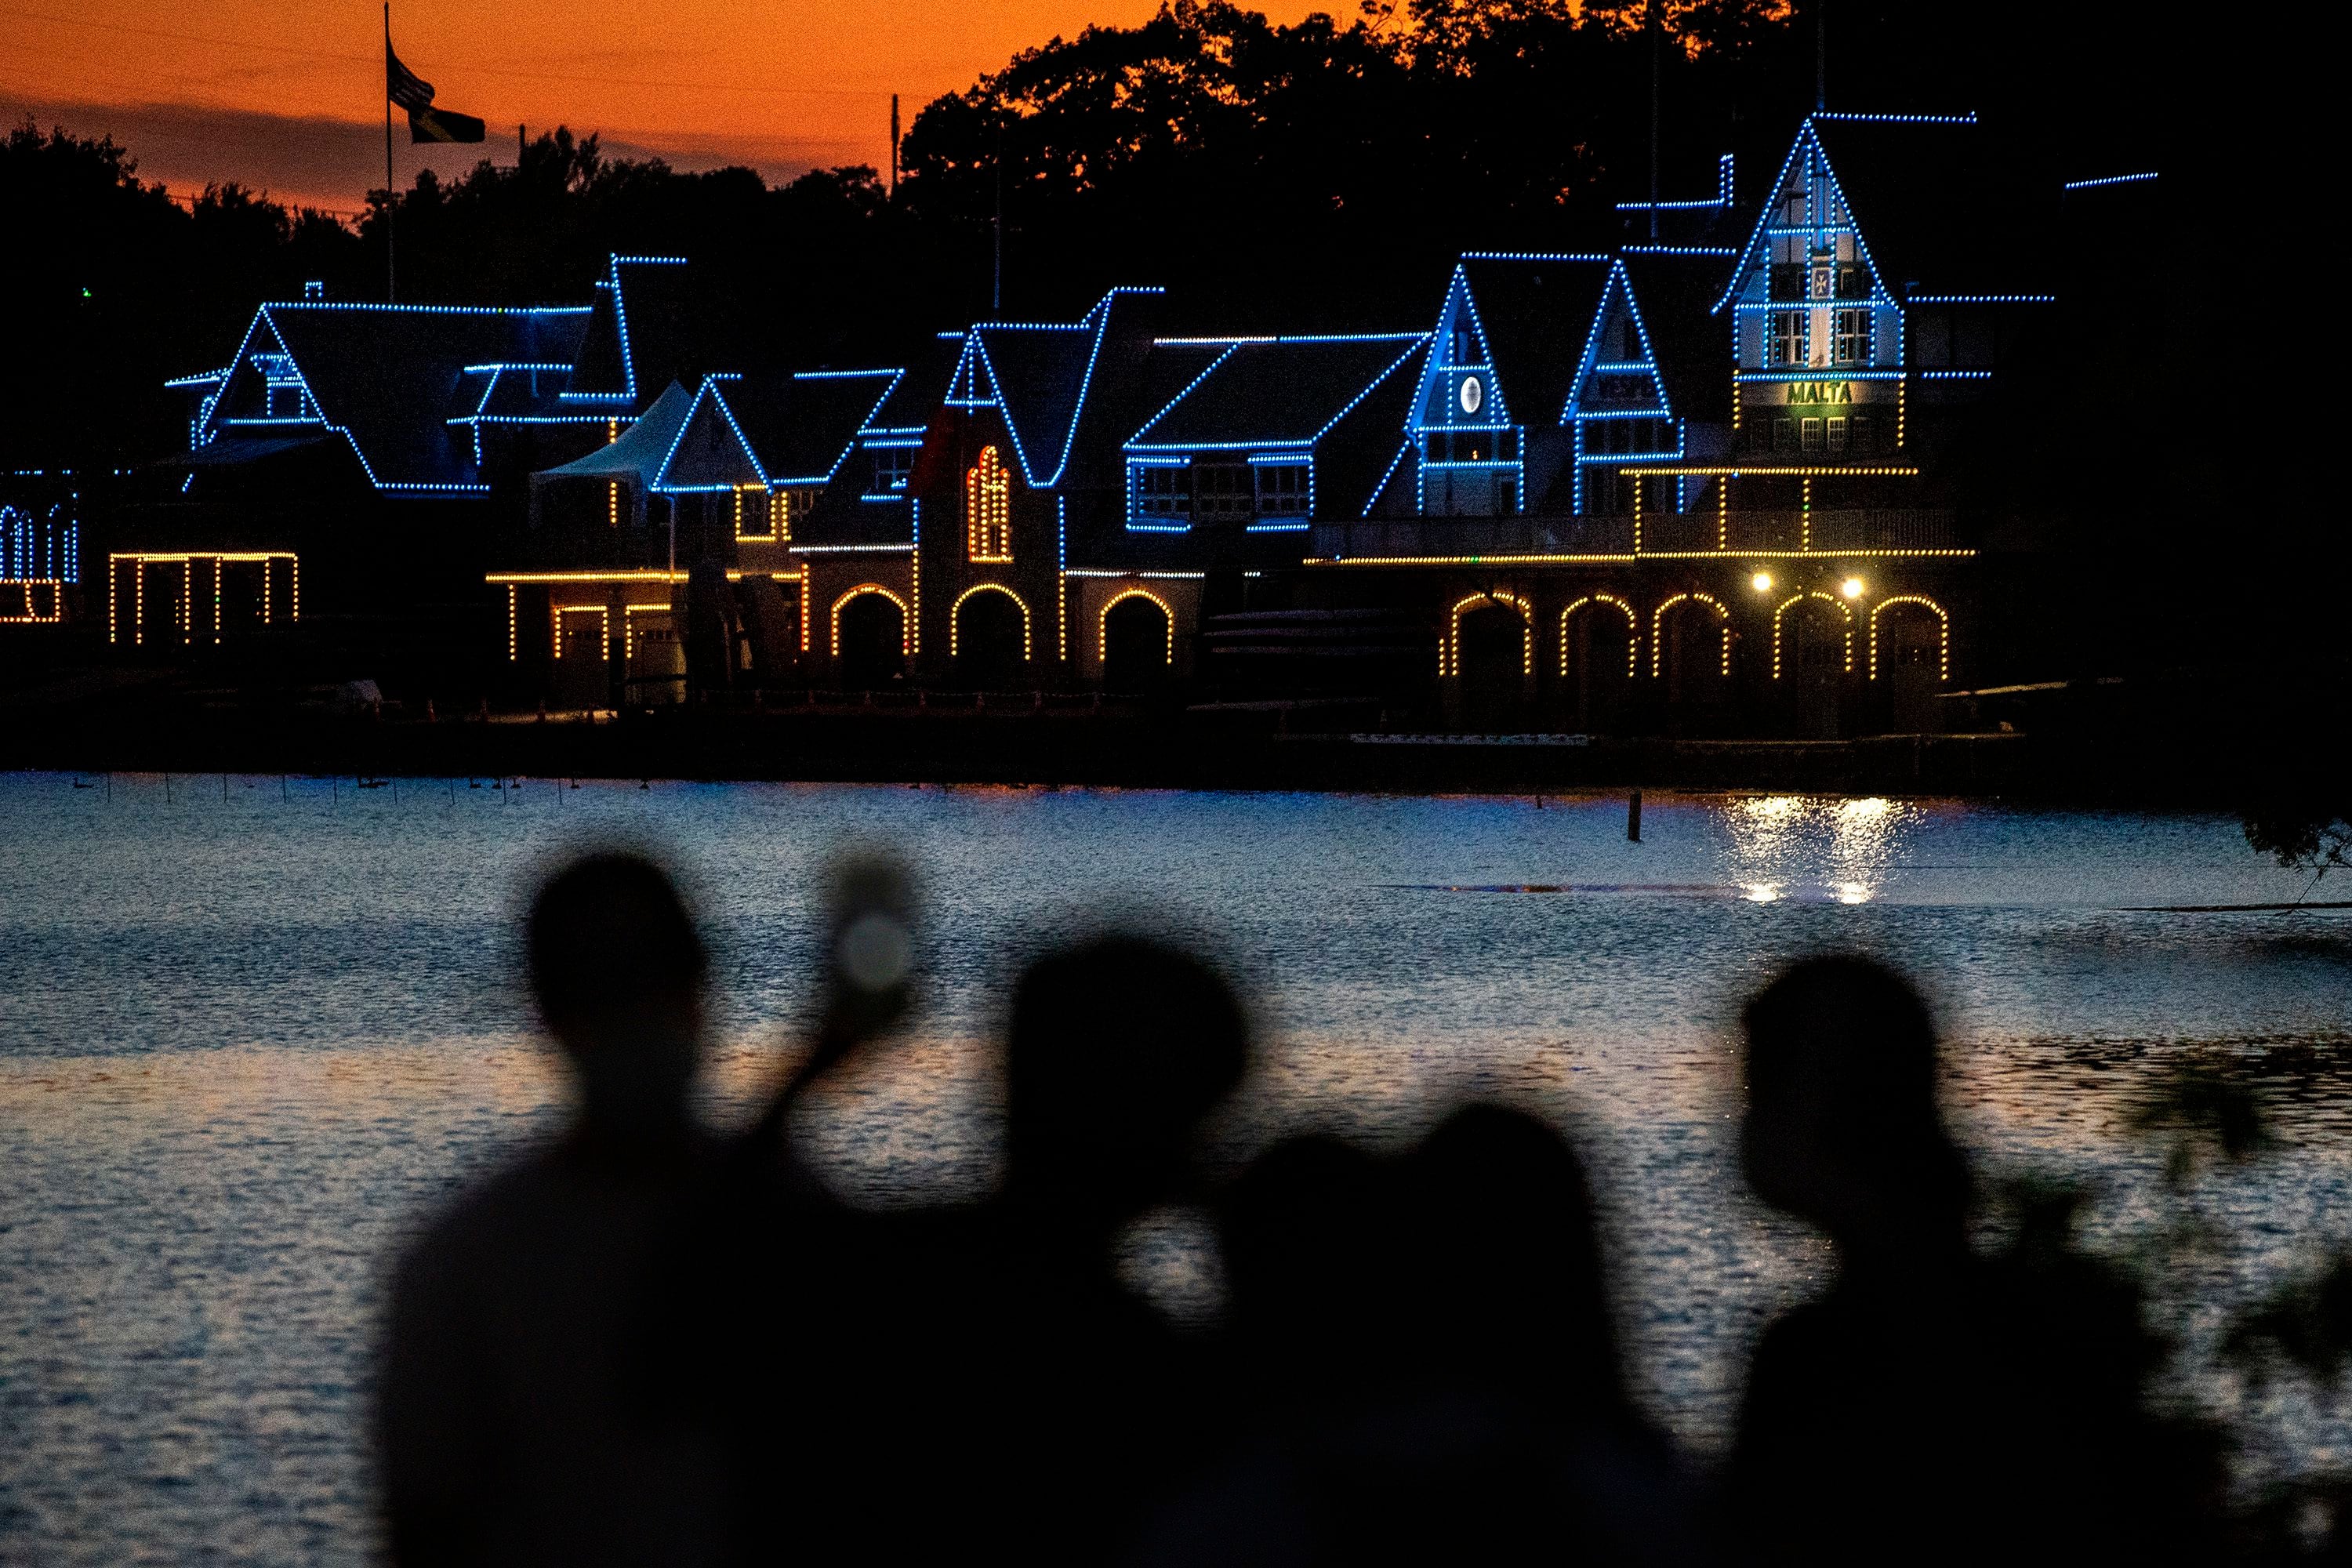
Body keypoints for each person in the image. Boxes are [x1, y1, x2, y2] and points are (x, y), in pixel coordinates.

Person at [1725, 954, 2220, 1566]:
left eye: (1755, 1087)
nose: (1739, 1122)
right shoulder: (2049, 1324)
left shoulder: (1820, 1358)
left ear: (1811, 1108)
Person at [374, 850, 730, 1566]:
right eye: (618, 990)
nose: (642, 1016)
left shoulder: (461, 1263)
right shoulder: (794, 1217)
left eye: (654, 985)